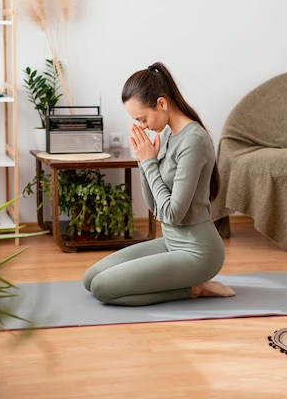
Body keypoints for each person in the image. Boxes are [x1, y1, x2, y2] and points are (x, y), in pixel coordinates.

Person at [83, 62, 235, 306]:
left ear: (162, 104)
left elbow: (173, 214)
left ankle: (194, 289)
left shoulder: (192, 141)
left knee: (102, 289)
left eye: (142, 118)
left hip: (198, 252)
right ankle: (187, 284)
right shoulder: (165, 135)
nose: (142, 126)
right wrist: (144, 163)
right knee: (90, 279)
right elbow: (155, 208)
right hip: (170, 243)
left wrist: (149, 163)